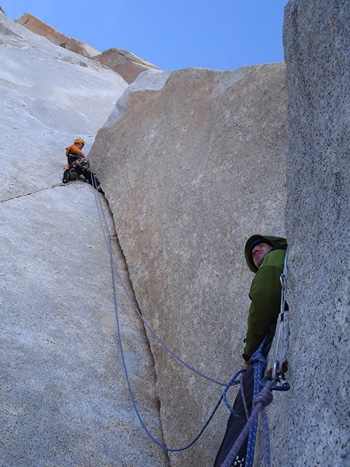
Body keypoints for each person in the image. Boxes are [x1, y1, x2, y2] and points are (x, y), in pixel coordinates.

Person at [214, 234, 288, 467]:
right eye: (252, 252)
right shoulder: (277, 261)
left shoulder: (275, 258)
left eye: (260, 245)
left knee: (244, 409)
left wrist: (248, 355)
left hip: (268, 341)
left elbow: (265, 299)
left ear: (273, 245)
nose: (255, 251)